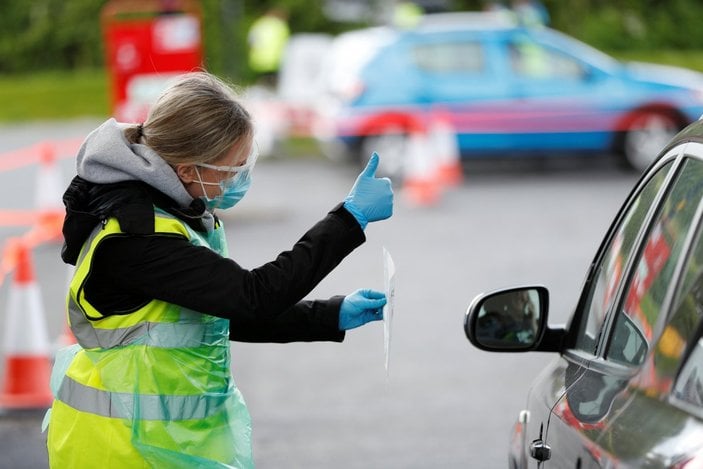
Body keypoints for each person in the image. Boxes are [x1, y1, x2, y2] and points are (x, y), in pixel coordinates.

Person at [44, 71, 394, 468]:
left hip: (162, 446)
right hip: (119, 450)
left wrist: (330, 315)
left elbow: (216, 313)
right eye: (232, 168)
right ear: (189, 169)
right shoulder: (137, 237)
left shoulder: (171, 210)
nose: (240, 178)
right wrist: (349, 219)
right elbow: (253, 297)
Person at [247, 8, 290, 87]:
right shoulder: (280, 25)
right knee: (275, 82)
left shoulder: (259, 23)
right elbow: (286, 43)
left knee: (263, 80)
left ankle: (262, 90)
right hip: (275, 60)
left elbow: (251, 41)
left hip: (258, 59)